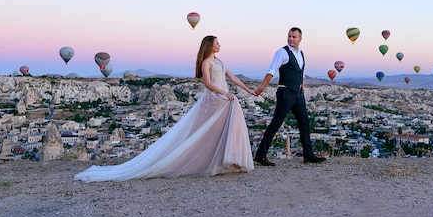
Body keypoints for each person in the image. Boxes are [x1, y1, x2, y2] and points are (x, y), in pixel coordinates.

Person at [74, 35, 256, 182]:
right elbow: (208, 84)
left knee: (222, 129)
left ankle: (229, 161)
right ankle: (206, 161)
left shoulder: (219, 61)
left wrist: (250, 90)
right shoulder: (206, 63)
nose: (220, 46)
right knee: (206, 131)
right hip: (216, 99)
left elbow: (233, 78)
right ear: (209, 45)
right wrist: (225, 94)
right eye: (217, 43)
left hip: (223, 98)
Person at [253, 27, 326, 166]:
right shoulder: (282, 52)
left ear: (300, 39)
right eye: (289, 36)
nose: (291, 39)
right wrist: (262, 87)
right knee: (276, 123)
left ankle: (308, 155)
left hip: (298, 94)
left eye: (294, 37)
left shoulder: (301, 54)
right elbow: (271, 70)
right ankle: (260, 155)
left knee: (305, 123)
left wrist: (302, 86)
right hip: (286, 92)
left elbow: (301, 72)